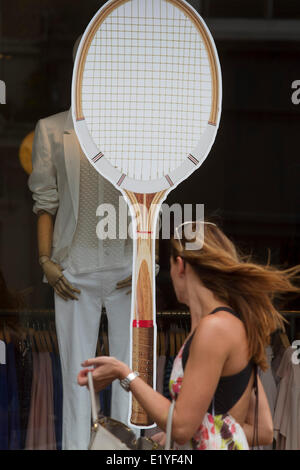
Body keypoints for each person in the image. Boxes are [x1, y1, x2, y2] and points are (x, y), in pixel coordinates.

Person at [78, 221, 300, 450]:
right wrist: (191, 430)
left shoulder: (214, 330)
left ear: (180, 266)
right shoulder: (229, 325)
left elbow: (182, 427)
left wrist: (124, 374)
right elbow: (262, 430)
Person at [28, 37, 136, 450]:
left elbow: (153, 199)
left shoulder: (134, 131)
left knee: (130, 378)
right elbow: (46, 204)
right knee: (78, 381)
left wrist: (149, 261)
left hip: (127, 268)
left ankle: (126, 455)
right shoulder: (53, 129)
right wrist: (45, 261)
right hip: (73, 270)